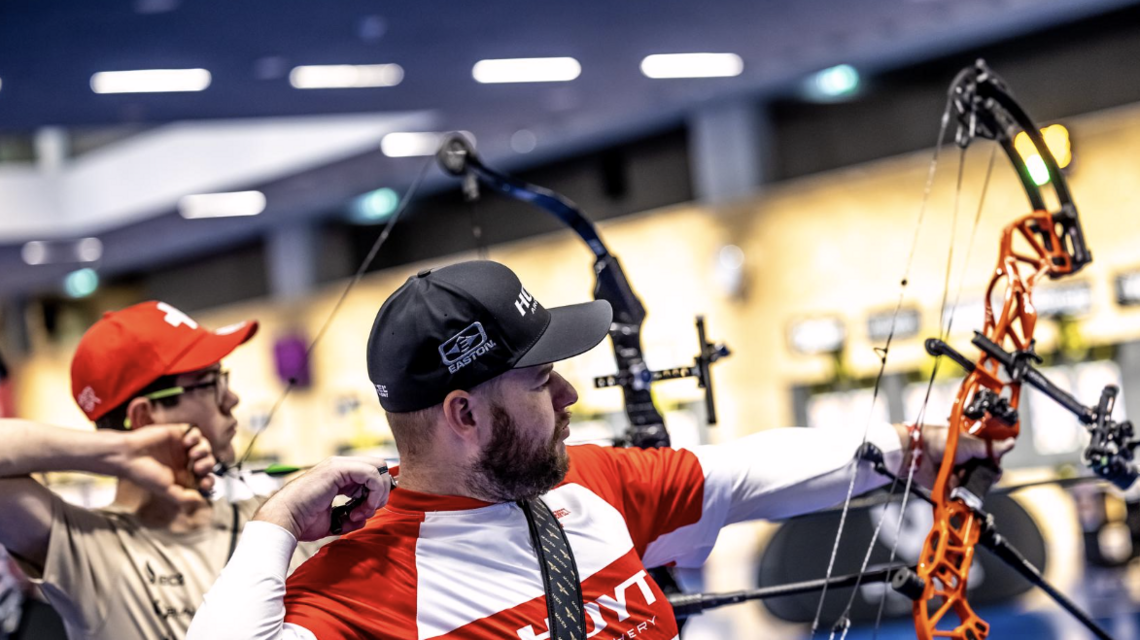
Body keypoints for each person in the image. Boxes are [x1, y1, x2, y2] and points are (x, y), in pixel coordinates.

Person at [187, 260, 995, 640]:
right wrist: (274, 526)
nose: (570, 397)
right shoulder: (358, 592)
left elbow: (743, 474)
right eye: (541, 381)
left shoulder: (587, 484)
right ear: (464, 413)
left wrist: (919, 448)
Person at [0, 301, 320, 640]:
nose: (232, 399)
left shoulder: (280, 520)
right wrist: (118, 451)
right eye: (209, 382)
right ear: (145, 416)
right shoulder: (86, 547)